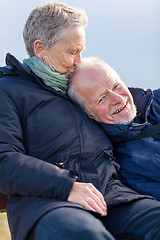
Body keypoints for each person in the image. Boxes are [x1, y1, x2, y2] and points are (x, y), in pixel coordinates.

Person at [1, 3, 160, 240]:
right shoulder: (8, 90)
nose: (78, 61)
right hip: (49, 204)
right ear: (40, 49)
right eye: (71, 52)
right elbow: (3, 160)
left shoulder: (77, 87)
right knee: (84, 234)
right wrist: (68, 186)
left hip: (112, 197)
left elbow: (130, 107)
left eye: (81, 51)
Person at [68, 56, 160, 201]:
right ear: (88, 114)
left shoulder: (155, 100)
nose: (118, 99)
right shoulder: (123, 165)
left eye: (116, 86)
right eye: (102, 98)